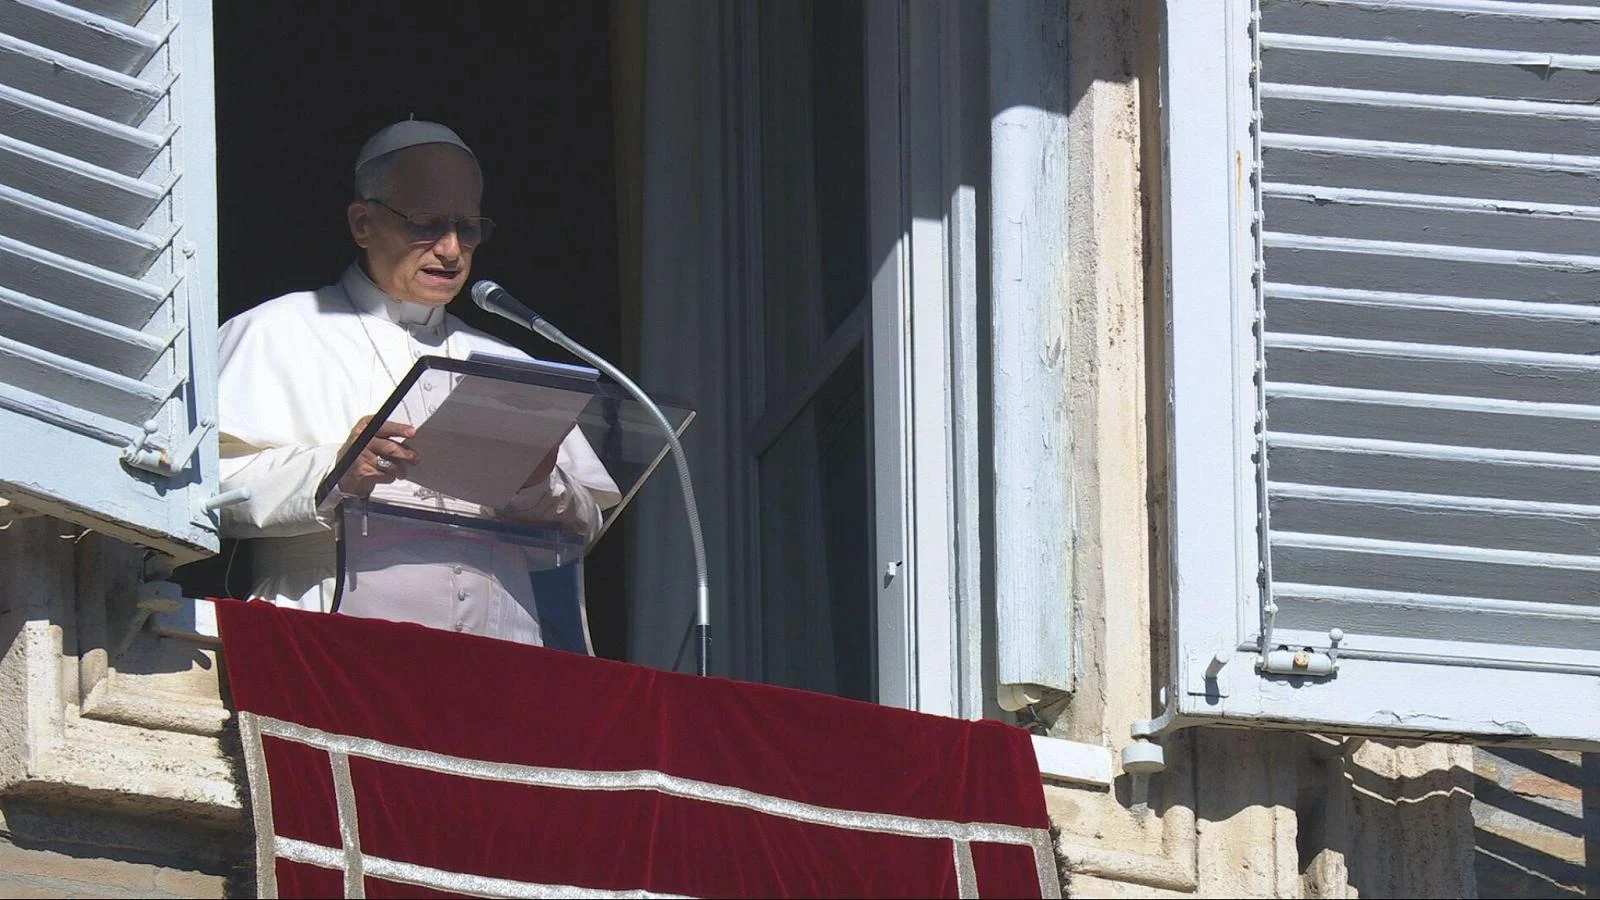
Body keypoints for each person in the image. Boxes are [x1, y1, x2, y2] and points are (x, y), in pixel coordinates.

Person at [216, 120, 619, 646]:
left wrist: (537, 483)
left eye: (467, 228)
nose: (451, 250)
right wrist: (337, 468)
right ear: (362, 223)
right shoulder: (275, 331)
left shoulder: (506, 360)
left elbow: (583, 527)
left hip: (501, 666)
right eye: (427, 224)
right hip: (333, 644)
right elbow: (205, 491)